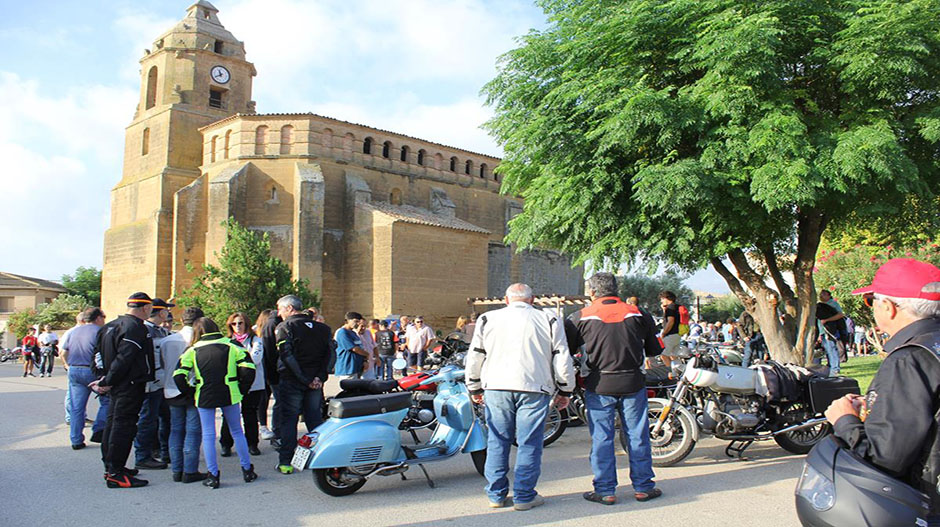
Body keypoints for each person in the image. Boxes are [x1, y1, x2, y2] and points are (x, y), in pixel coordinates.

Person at [824, 258, 940, 521]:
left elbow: (885, 460)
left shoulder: (909, 359)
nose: (872, 308)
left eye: (870, 300)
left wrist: (844, 420)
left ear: (887, 306)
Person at [466, 283, 575, 511]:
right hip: (534, 386)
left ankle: (496, 494)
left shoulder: (487, 319)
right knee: (529, 443)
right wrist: (565, 389)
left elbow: (476, 354)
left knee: (498, 441)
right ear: (532, 300)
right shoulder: (549, 319)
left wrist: (474, 386)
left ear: (506, 300)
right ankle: (524, 496)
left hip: (496, 386)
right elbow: (561, 355)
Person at [566, 272, 663, 505]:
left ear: (592, 292)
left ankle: (605, 490)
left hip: (598, 386)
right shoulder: (640, 313)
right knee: (638, 436)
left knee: (602, 438)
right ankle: (643, 487)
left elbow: (566, 351)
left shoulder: (578, 317)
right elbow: (654, 350)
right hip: (633, 383)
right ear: (616, 289)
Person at [173, 317, 258, 489]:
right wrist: (242, 388)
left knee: (208, 435)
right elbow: (249, 369)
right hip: (230, 393)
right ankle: (247, 470)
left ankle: (213, 475)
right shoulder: (232, 345)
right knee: (237, 431)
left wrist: (190, 392)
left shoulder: (192, 350)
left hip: (204, 395)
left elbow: (178, 375)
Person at [93, 292, 157, 489]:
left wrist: (101, 377)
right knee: (123, 427)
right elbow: (124, 358)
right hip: (128, 385)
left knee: (113, 424)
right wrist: (108, 380)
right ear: (145, 308)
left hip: (117, 384)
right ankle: (115, 473)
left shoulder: (109, 326)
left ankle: (112, 465)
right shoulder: (135, 328)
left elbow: (96, 355)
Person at [273, 295, 332, 475]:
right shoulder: (323, 328)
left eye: (280, 309)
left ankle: (286, 462)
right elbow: (330, 355)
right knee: (314, 419)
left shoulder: (285, 327)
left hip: (294, 381)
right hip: (315, 381)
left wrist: (306, 379)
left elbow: (287, 356)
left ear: (290, 308)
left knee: (289, 420)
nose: (278, 313)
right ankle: (322, 459)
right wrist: (320, 377)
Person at [160, 306, 205, 483]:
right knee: (193, 432)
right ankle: (190, 469)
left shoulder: (167, 340)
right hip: (193, 388)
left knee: (176, 430)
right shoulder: (197, 341)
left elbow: (163, 365)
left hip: (171, 389)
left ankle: (177, 469)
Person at [63, 308, 108, 449]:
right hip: (92, 369)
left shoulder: (74, 331)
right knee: (107, 400)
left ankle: (76, 439)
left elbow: (64, 352)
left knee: (77, 407)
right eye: (104, 317)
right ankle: (99, 429)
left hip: (75, 368)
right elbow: (105, 354)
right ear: (98, 318)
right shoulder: (101, 331)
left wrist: (67, 366)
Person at [134, 298, 172, 470]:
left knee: (166, 419)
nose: (168, 313)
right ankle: (142, 456)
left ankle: (164, 451)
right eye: (167, 310)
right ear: (161, 312)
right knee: (148, 420)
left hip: (163, 383)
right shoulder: (146, 331)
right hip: (152, 383)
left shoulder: (160, 331)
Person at [220, 312, 264, 457]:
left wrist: (236, 361)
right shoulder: (226, 341)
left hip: (253, 384)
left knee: (250, 414)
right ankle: (226, 444)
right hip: (232, 383)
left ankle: (252, 444)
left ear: (246, 324)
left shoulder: (255, 340)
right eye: (234, 324)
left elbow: (255, 359)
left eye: (240, 323)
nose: (237, 327)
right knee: (228, 415)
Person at [254, 309, 276, 441]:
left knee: (263, 400)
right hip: (268, 370)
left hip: (264, 370)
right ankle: (265, 426)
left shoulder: (256, 332)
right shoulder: (259, 334)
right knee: (266, 399)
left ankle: (263, 426)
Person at [817, 289, 846, 376]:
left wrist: (826, 320)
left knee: (831, 349)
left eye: (824, 294)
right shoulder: (819, 305)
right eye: (821, 294)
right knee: (828, 349)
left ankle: (835, 368)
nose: (821, 296)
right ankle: (831, 366)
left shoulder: (833, 304)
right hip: (822, 331)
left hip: (830, 330)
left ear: (829, 296)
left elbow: (840, 314)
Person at [334, 312, 368, 380]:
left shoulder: (353, 333)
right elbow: (354, 348)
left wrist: (365, 360)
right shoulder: (342, 332)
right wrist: (367, 354)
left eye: (359, 322)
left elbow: (360, 347)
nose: (357, 323)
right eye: (355, 321)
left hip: (356, 367)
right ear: (347, 321)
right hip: (347, 368)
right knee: (349, 389)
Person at [659, 291, 680, 365]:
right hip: (677, 334)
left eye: (662, 299)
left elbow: (670, 321)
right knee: (674, 356)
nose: (661, 301)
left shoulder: (670, 308)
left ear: (666, 298)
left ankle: (670, 372)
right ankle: (678, 371)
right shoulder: (677, 307)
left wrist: (664, 333)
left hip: (670, 334)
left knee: (664, 355)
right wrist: (664, 310)